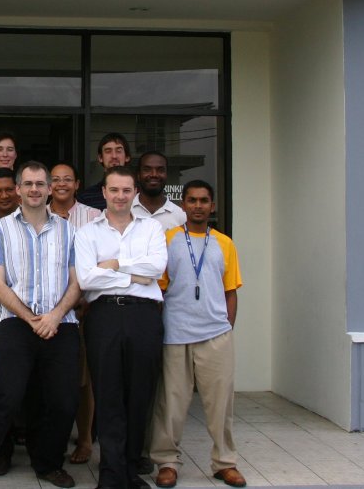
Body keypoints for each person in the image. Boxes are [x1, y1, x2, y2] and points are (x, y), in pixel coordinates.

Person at [0, 162, 81, 489]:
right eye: (28, 184)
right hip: (16, 324)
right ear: (18, 189)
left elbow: (76, 282)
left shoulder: (69, 231)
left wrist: (53, 317)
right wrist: (30, 318)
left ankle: (48, 464)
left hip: (62, 325)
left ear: (50, 188)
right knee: (5, 399)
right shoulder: (0, 230)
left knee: (63, 401)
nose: (35, 189)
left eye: (41, 184)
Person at [74, 166, 167, 489]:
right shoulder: (88, 233)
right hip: (104, 316)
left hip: (144, 316)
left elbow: (156, 267)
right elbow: (87, 278)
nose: (120, 196)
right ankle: (111, 475)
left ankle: (130, 469)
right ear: (104, 192)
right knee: (109, 394)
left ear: (135, 193)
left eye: (127, 190)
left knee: (140, 395)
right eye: (114, 190)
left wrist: (114, 265)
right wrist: (135, 274)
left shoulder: (152, 229)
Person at [150, 181, 245, 489]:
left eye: (204, 200)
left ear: (212, 206)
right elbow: (159, 289)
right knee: (171, 404)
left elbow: (231, 291)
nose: (198, 205)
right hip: (176, 334)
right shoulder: (168, 240)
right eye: (192, 200)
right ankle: (167, 461)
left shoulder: (225, 243)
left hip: (215, 334)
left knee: (220, 404)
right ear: (184, 206)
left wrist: (227, 327)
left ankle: (224, 462)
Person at [47, 162, 101, 465]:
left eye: (67, 179)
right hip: (45, 312)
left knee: (83, 382)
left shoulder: (94, 218)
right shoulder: (37, 214)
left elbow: (99, 261)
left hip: (83, 310)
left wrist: (82, 299)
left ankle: (84, 440)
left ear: (77, 184)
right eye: (55, 180)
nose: (61, 184)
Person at [132, 151, 186, 230]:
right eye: (147, 170)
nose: (154, 174)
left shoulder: (181, 216)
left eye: (160, 170)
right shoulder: (126, 210)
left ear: (166, 175)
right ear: (138, 175)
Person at [78, 133, 130, 211]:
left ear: (127, 157)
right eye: (108, 151)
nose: (114, 156)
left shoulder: (140, 195)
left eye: (118, 151)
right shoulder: (85, 198)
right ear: (100, 158)